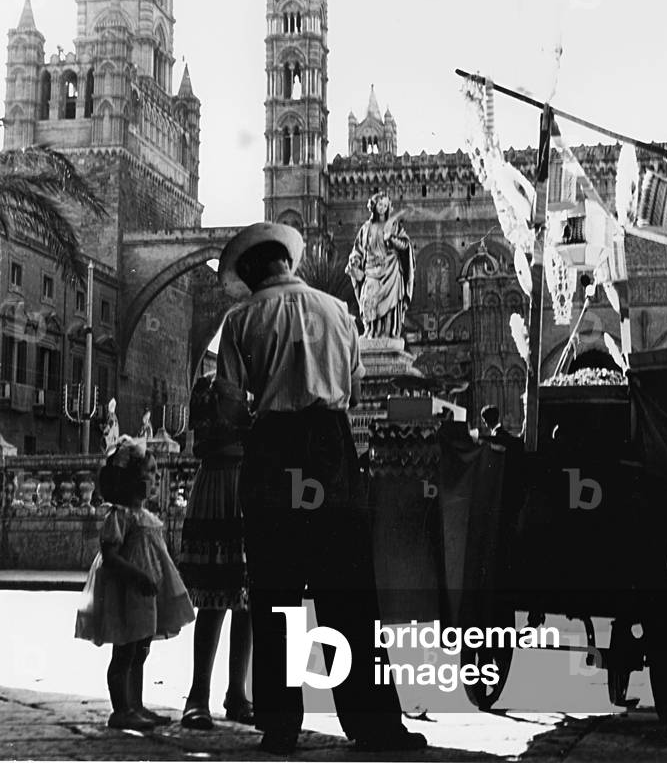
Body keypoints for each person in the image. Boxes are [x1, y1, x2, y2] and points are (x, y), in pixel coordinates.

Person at [217, 222, 427, 756]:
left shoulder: (241, 320)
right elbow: (353, 391)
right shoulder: (339, 311)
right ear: (288, 263)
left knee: (276, 593)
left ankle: (282, 724)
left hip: (274, 452)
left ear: (250, 273)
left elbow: (227, 406)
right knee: (350, 593)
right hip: (331, 454)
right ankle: (376, 721)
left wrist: (258, 416)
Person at [74, 436, 195, 730]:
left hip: (145, 593)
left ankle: (135, 704)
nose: (154, 479)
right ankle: (121, 708)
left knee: (141, 648)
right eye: (149, 473)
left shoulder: (146, 517)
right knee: (125, 650)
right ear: (129, 481)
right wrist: (137, 575)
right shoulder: (120, 516)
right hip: (127, 590)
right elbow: (110, 554)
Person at [178, 373, 254, 730]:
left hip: (249, 483)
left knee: (247, 599)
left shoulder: (260, 380)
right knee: (214, 598)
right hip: (222, 482)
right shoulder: (210, 386)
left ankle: (237, 692)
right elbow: (206, 441)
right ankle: (198, 694)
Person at [346, 191, 414, 339]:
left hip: (391, 269)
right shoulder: (365, 228)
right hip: (371, 269)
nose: (382, 208)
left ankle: (388, 333)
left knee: (390, 306)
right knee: (368, 300)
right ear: (374, 206)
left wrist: (391, 238)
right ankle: (371, 331)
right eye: (379, 205)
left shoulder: (394, 226)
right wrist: (355, 260)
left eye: (385, 205)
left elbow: (405, 245)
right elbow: (358, 249)